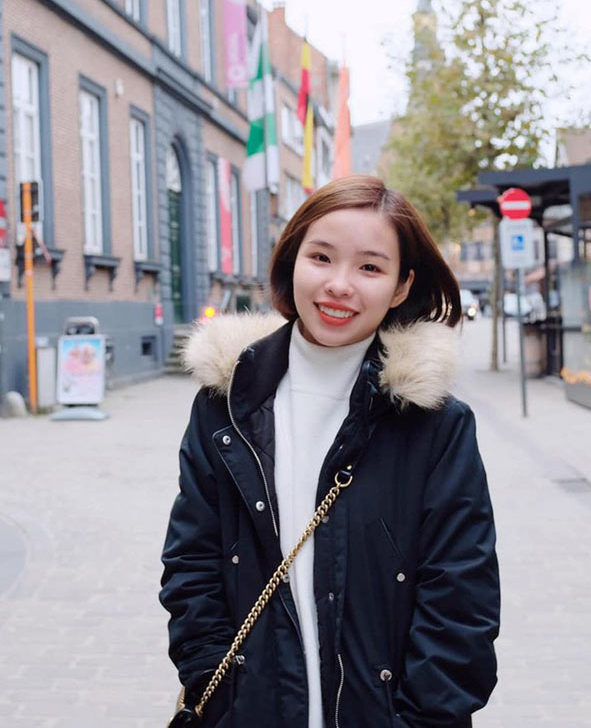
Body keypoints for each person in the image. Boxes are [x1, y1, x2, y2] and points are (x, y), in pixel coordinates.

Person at [160, 175, 500, 728]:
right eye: (321, 257)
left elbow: (462, 599)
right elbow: (191, 563)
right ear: (292, 260)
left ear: (401, 287)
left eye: (369, 268)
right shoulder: (226, 405)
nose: (339, 285)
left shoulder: (435, 424)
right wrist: (217, 689)